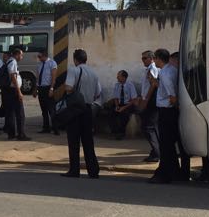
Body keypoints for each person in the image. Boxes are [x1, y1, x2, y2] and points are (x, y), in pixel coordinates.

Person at [168, 51, 209, 182]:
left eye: (173, 62)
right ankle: (202, 172)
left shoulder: (189, 74)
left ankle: (192, 172)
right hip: (194, 110)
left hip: (192, 111)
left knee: (186, 145)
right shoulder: (191, 72)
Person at [60, 49, 103, 179]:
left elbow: (68, 88)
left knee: (74, 141)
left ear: (75, 59)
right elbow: (98, 93)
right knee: (88, 141)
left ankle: (74, 170)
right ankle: (93, 170)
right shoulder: (94, 73)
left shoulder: (74, 70)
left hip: (75, 109)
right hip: (88, 109)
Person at [149, 49, 184, 184]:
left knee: (165, 145)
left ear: (158, 59)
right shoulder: (172, 70)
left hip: (167, 111)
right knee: (169, 145)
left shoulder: (165, 73)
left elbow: (172, 95)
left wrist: (176, 107)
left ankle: (164, 174)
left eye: (155, 59)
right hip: (169, 110)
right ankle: (174, 172)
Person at [137, 50, 161, 163]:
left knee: (148, 127)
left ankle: (157, 152)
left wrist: (146, 99)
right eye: (142, 58)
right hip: (149, 100)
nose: (143, 60)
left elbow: (153, 84)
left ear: (151, 58)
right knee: (152, 127)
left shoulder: (152, 68)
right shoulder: (149, 69)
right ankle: (155, 151)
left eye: (145, 58)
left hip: (151, 101)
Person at [3, 46, 31, 141]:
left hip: (8, 90)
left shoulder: (9, 61)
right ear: (17, 54)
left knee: (11, 113)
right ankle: (21, 134)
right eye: (21, 55)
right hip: (13, 90)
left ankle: (11, 134)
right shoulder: (13, 62)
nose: (22, 57)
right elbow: (13, 76)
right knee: (20, 113)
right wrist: (19, 92)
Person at [103, 70, 138, 139]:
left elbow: (134, 99)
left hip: (128, 104)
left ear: (124, 77)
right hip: (119, 104)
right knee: (111, 114)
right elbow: (116, 97)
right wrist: (117, 106)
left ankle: (121, 132)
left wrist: (124, 107)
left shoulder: (130, 85)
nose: (117, 78)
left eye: (118, 76)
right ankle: (115, 132)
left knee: (124, 115)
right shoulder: (117, 85)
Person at [35, 51, 59, 135]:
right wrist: (35, 89)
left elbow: (53, 77)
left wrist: (51, 89)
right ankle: (46, 127)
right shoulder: (40, 65)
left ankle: (55, 128)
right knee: (44, 109)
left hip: (48, 88)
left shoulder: (52, 63)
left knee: (51, 109)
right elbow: (38, 78)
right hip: (41, 88)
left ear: (44, 56)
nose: (38, 58)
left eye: (40, 56)